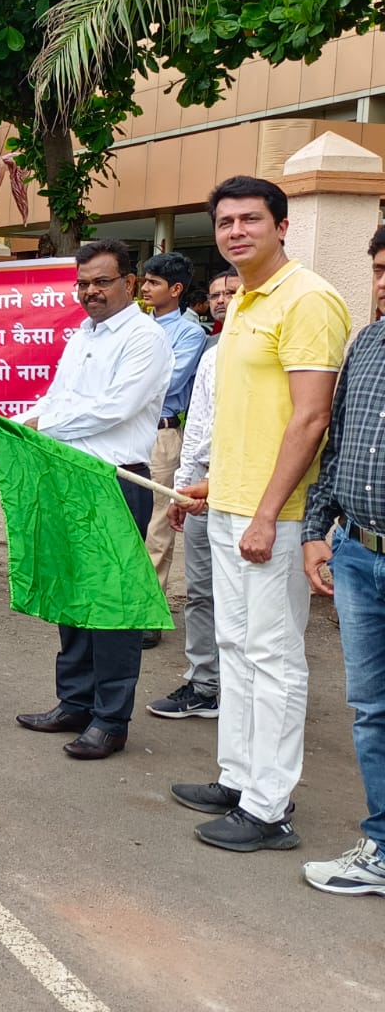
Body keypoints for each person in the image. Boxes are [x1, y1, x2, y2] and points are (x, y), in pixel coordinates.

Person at [173, 175, 350, 851]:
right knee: (235, 648)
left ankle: (269, 807)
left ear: (283, 227)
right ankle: (240, 778)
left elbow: (310, 419)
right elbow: (252, 418)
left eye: (251, 219)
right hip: (233, 506)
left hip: (274, 517)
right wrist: (214, 486)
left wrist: (268, 513)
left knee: (274, 658)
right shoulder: (244, 299)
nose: (236, 231)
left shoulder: (308, 299)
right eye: (225, 222)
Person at [0, 238, 170, 761]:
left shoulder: (145, 337)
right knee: (73, 595)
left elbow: (116, 407)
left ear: (128, 283)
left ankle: (111, 719)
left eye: (102, 282)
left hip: (115, 480)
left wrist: (41, 421)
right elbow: (58, 400)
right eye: (84, 283)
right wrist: (12, 424)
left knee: (112, 603)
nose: (91, 292)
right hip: (70, 477)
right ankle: (76, 701)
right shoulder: (82, 335)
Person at [301, 226, 385, 893]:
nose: (382, 284)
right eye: (378, 269)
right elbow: (336, 448)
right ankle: (382, 847)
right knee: (371, 708)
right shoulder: (368, 345)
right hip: (358, 553)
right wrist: (316, 528)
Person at [152, 271, 241, 720]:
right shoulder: (210, 349)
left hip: (246, 489)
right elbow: (199, 426)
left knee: (242, 595)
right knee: (202, 591)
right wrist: (182, 487)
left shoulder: (264, 348)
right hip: (201, 482)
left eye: (233, 292)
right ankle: (204, 683)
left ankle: (243, 691)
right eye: (217, 294)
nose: (223, 300)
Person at [139, 251, 209, 648]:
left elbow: (165, 382)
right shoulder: (131, 325)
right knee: (122, 516)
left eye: (153, 282)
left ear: (176, 289)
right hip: (122, 433)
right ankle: (122, 600)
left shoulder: (188, 333)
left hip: (161, 434)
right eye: (145, 281)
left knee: (157, 525)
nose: (145, 288)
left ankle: (150, 609)